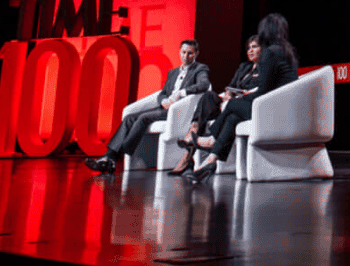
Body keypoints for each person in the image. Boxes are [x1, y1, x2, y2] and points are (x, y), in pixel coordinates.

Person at [187, 14, 298, 183]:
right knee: (232, 117)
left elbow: (263, 91)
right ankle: (210, 161)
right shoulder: (288, 51)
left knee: (232, 104)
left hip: (270, 108)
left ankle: (211, 139)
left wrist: (244, 98)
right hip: (283, 105)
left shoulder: (269, 53)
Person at [84, 39, 211, 174]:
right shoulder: (173, 72)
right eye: (183, 52)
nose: (186, 56)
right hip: (165, 107)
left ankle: (114, 157)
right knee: (129, 118)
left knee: (143, 118)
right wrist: (163, 101)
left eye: (190, 53)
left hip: (180, 110)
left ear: (196, 54)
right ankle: (110, 157)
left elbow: (204, 85)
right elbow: (163, 93)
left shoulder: (200, 69)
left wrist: (181, 93)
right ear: (179, 52)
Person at [167, 36, 261, 175]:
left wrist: (233, 101)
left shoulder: (265, 70)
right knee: (208, 96)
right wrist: (228, 95)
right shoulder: (244, 67)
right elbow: (231, 86)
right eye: (248, 48)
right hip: (230, 103)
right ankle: (193, 131)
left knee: (229, 115)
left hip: (242, 106)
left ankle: (188, 157)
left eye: (254, 47)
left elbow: (258, 92)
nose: (250, 51)